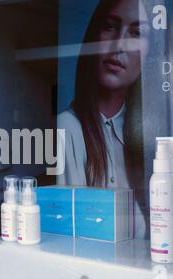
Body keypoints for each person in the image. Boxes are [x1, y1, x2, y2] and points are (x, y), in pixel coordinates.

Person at [57, 0, 152, 238]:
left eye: (136, 33)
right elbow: (73, 235)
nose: (118, 46)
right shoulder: (68, 128)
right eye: (110, 26)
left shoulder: (149, 131)